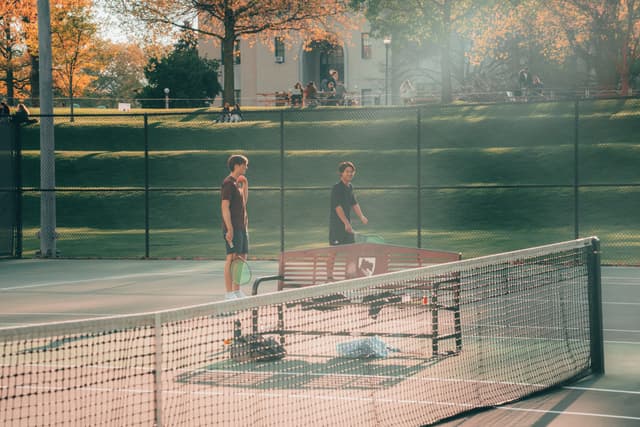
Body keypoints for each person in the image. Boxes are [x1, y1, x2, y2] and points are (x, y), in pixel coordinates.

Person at [221, 154, 250, 300]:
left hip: (242, 227)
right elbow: (224, 207)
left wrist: (245, 185)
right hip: (233, 228)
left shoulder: (237, 184)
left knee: (241, 258)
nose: (246, 167)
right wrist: (229, 228)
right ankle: (229, 293)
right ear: (237, 165)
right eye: (244, 165)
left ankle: (237, 291)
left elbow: (243, 203)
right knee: (231, 259)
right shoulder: (228, 183)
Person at [329, 161, 368, 246]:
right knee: (333, 253)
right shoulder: (337, 188)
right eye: (347, 171)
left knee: (351, 251)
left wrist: (361, 216)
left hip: (347, 227)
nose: (350, 174)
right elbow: (337, 207)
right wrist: (346, 223)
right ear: (341, 173)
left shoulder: (349, 187)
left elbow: (354, 203)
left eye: (351, 172)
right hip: (337, 227)